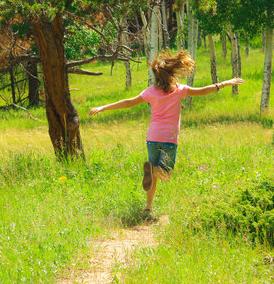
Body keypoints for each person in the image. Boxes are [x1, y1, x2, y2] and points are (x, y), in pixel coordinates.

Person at [88, 51, 244, 218]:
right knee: (165, 175)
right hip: (169, 139)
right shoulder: (180, 90)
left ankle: (148, 207)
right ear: (172, 74)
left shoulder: (150, 92)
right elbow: (203, 91)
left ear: (157, 77)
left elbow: (128, 103)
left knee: (153, 176)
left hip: (152, 138)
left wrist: (104, 107)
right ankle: (153, 173)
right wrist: (225, 83)